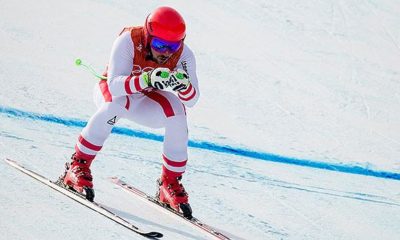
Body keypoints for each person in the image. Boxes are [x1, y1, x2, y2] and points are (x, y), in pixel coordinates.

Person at [60, 6, 199, 218]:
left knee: (177, 112)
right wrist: (147, 79)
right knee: (116, 104)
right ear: (147, 35)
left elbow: (193, 99)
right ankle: (78, 165)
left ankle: (169, 183)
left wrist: (184, 86)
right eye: (160, 45)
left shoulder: (184, 55)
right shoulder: (128, 40)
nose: (166, 53)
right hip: (113, 92)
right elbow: (115, 86)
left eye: (173, 46)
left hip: (143, 98)